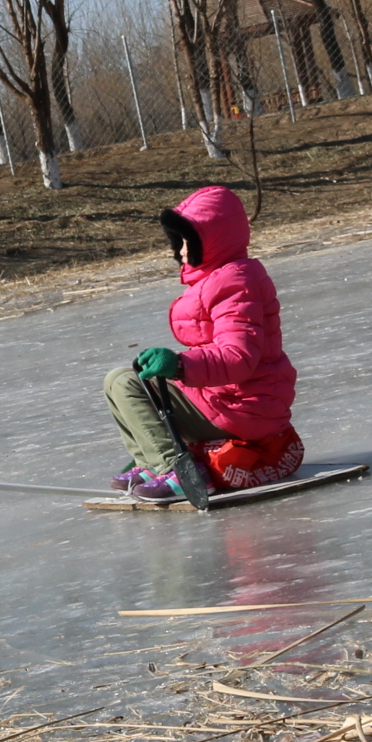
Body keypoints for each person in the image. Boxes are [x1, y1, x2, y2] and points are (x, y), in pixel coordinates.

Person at [103, 182, 302, 505]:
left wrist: (181, 365)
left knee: (123, 382)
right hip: (228, 401)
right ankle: (150, 463)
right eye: (178, 241)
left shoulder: (235, 281)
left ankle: (177, 469)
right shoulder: (223, 278)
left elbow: (239, 357)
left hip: (243, 408)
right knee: (130, 380)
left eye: (187, 240)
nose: (181, 250)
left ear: (213, 240)